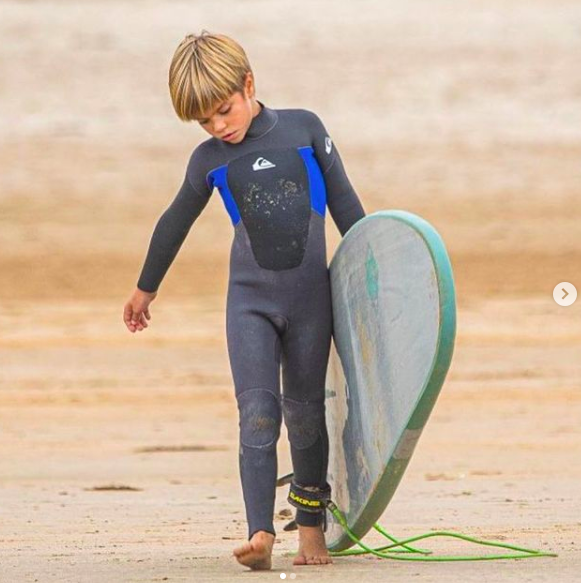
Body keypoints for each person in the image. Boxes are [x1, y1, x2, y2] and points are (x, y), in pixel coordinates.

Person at [122, 31, 365, 570]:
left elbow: (347, 205)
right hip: (249, 303)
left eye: (223, 111)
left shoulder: (305, 128)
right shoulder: (209, 158)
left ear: (248, 84)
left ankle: (310, 532)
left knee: (305, 417)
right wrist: (146, 287)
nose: (218, 127)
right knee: (257, 413)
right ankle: (259, 534)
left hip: (310, 304)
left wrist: (379, 275)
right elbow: (174, 221)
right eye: (204, 121)